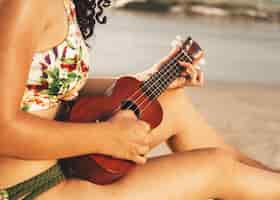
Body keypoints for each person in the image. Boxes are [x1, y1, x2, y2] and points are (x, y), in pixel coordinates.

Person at [0, 0, 280, 199]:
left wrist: (144, 79)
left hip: (57, 162)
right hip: (30, 189)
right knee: (216, 168)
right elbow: (3, 129)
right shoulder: (26, 3)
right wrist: (106, 137)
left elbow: (44, 87)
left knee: (173, 106)